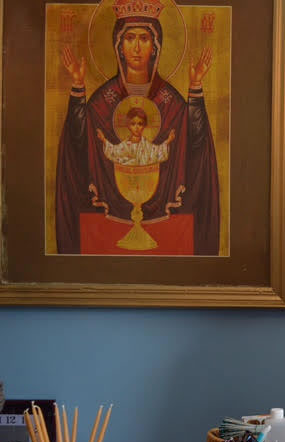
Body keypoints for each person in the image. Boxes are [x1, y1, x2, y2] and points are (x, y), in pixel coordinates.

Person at [55, 0, 220, 254]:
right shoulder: (103, 100)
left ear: (155, 46)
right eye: (129, 38)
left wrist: (196, 88)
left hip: (167, 225)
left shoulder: (170, 101)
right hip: (105, 224)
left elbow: (195, 144)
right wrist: (78, 87)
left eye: (144, 38)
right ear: (118, 46)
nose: (136, 47)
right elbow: (79, 142)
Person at [97, 107, 175, 166]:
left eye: (140, 124)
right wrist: (103, 139)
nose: (136, 127)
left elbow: (157, 152)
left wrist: (169, 140)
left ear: (144, 125)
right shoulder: (124, 145)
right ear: (128, 126)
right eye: (133, 124)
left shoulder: (147, 146)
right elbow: (114, 151)